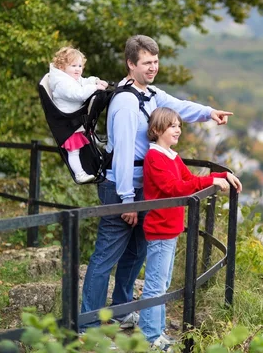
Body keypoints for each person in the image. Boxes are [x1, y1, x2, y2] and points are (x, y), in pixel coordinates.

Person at [80, 35, 233, 332]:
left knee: (136, 252)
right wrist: (127, 201)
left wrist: (208, 113)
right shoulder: (126, 102)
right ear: (130, 64)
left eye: (155, 62)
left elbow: (178, 106)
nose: (153, 68)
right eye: (146, 63)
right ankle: (87, 323)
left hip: (144, 188)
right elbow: (123, 153)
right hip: (122, 188)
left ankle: (122, 311)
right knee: (106, 255)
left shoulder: (149, 93)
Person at [139, 107, 242, 349]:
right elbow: (175, 187)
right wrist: (212, 180)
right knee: (155, 285)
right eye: (172, 125)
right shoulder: (155, 157)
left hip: (171, 228)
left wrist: (222, 176)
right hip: (160, 229)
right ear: (156, 130)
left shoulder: (171, 156)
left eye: (179, 125)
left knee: (162, 285)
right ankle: (150, 337)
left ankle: (157, 333)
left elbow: (188, 180)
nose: (178, 129)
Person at [48, 47, 109, 183]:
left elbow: (83, 81)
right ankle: (79, 174)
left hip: (75, 121)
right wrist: (95, 88)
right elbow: (78, 94)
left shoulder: (71, 79)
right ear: (62, 66)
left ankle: (91, 166)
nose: (78, 69)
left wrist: (95, 81)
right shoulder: (62, 83)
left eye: (80, 66)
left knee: (80, 148)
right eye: (73, 66)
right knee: (73, 151)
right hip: (68, 123)